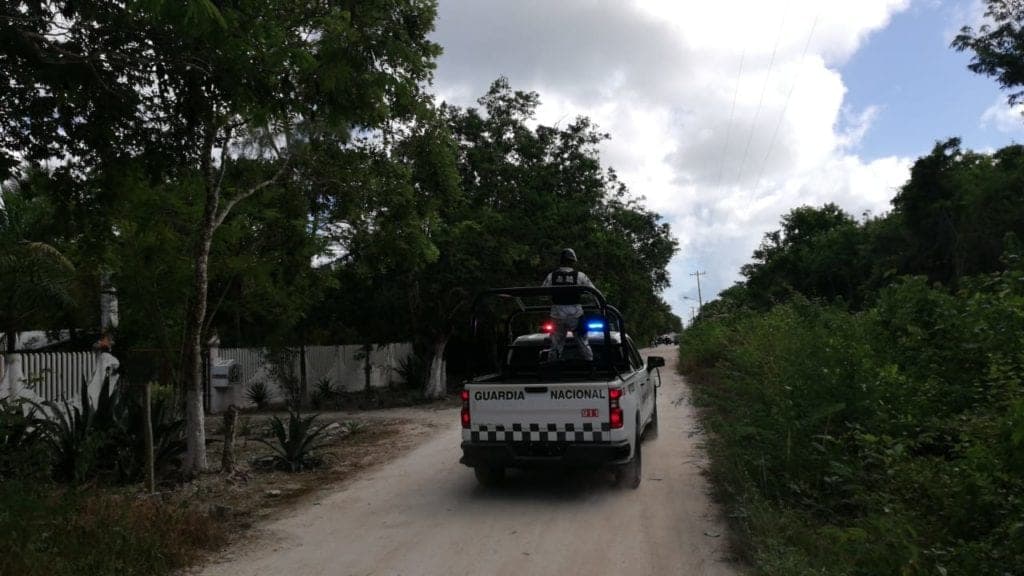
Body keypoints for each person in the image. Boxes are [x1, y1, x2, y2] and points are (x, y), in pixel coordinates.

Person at [542, 248, 595, 361]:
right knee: (583, 342)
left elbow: (542, 294)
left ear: (561, 261)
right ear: (573, 261)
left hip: (557, 314)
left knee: (556, 344)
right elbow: (593, 292)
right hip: (575, 314)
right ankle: (590, 364)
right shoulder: (580, 276)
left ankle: (553, 366)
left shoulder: (551, 276)